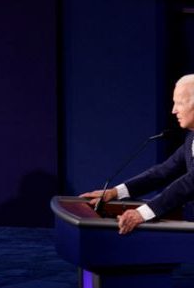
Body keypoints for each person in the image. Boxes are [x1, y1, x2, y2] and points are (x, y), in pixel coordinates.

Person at [81, 74, 194, 235]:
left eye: (179, 103)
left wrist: (143, 213)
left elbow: (189, 183)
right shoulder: (191, 138)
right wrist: (115, 193)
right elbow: (162, 172)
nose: (173, 110)